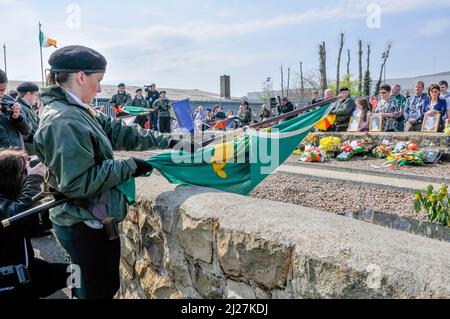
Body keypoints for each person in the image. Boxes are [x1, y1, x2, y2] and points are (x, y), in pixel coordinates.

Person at [33, 45, 176, 299]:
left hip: (89, 219)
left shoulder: (77, 109)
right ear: (80, 77)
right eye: (98, 80)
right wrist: (130, 165)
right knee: (94, 291)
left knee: (101, 288)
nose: (99, 88)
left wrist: (170, 142)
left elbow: (121, 132)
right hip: (82, 224)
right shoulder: (64, 120)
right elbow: (77, 182)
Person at [0, 149, 69, 299]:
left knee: (76, 273)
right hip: (9, 286)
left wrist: (59, 193)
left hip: (24, 270)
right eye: (24, 173)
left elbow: (35, 224)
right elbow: (16, 217)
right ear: (9, 179)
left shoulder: (8, 200)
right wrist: (35, 178)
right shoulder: (6, 208)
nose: (28, 175)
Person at [0, 69, 31, 149]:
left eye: (2, 90)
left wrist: (17, 118)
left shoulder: (9, 100)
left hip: (18, 156)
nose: (0, 94)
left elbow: (27, 130)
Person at [16, 82, 41, 155]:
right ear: (28, 94)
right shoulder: (21, 108)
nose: (37, 98)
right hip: (28, 150)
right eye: (35, 95)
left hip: (31, 148)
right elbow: (24, 133)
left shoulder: (26, 107)